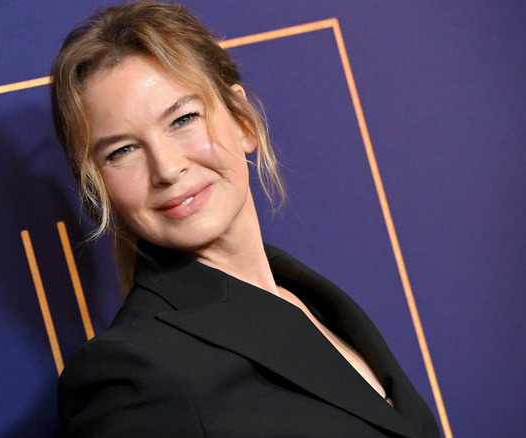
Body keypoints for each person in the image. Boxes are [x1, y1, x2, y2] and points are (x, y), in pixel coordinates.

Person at [50, 2, 441, 436]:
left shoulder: (312, 299)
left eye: (183, 120)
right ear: (98, 186)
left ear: (242, 121)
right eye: (121, 151)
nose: (166, 168)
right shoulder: (134, 373)